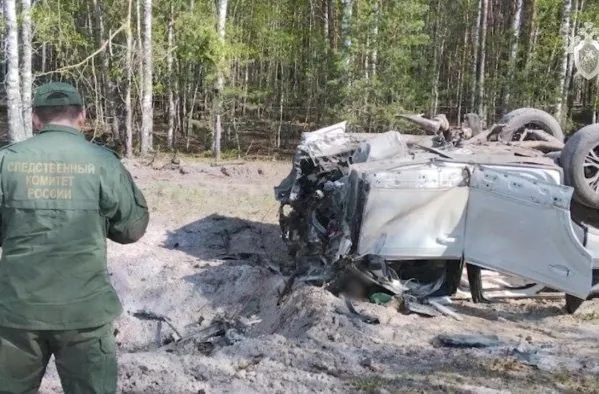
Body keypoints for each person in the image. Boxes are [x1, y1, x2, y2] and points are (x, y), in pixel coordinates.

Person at [0, 82, 149, 393]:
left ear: (35, 120)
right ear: (81, 115)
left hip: (17, 314)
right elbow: (132, 229)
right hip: (85, 313)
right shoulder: (102, 162)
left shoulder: (6, 162)